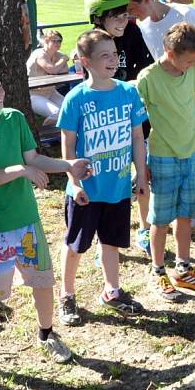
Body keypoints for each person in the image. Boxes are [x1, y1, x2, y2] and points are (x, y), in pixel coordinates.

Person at [0, 60, 91, 374]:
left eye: (0, 86)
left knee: (42, 281)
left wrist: (68, 166)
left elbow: (34, 158)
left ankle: (47, 334)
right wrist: (20, 171)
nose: (0, 93)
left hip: (27, 220)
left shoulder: (14, 119)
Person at [57, 26, 149, 324]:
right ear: (85, 61)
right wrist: (73, 183)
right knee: (76, 245)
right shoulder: (75, 99)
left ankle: (112, 291)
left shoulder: (127, 93)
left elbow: (137, 137)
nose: (112, 61)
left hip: (118, 185)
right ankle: (67, 295)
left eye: (114, 55)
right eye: (104, 56)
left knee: (111, 241)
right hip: (87, 189)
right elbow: (68, 146)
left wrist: (141, 173)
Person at [122, 0, 195, 240]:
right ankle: (174, 220)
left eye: (133, 8)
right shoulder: (143, 26)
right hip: (167, 108)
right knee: (175, 163)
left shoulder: (185, 13)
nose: (131, 14)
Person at [136, 22, 195, 301]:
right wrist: (140, 163)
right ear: (170, 53)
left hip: (192, 153)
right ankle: (158, 271)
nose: (192, 64)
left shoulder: (193, 70)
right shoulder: (147, 78)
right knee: (160, 219)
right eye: (188, 60)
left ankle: (183, 268)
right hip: (163, 157)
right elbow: (137, 124)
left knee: (186, 215)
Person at [87, 0, 154, 255]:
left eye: (124, 13)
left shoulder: (133, 32)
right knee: (107, 181)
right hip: (104, 125)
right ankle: (103, 239)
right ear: (99, 17)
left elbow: (145, 68)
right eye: (115, 15)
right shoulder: (91, 42)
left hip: (134, 116)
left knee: (142, 172)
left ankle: (144, 228)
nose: (122, 20)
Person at [26, 29, 69, 126]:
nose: (57, 43)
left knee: (70, 109)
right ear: (46, 41)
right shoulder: (39, 53)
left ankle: (60, 136)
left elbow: (65, 70)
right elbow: (52, 70)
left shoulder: (57, 55)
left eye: (59, 41)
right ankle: (44, 137)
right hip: (34, 94)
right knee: (56, 113)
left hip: (51, 92)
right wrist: (63, 59)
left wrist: (59, 64)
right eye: (54, 41)